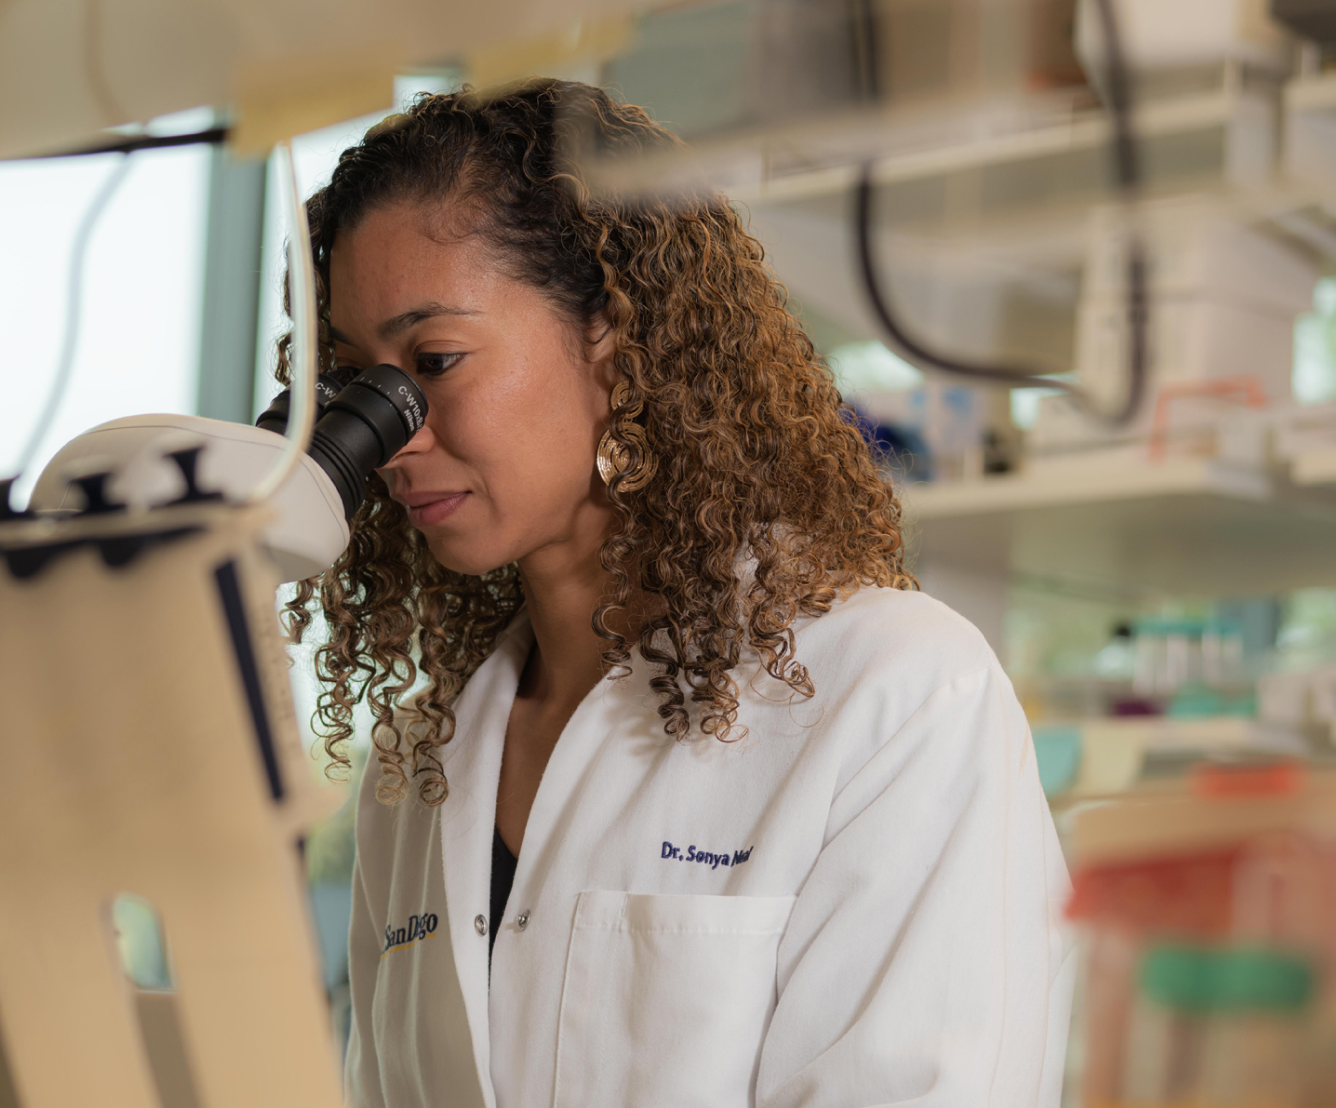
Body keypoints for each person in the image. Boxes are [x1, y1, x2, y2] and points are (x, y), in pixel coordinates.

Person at [279, 78, 1072, 1108]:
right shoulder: (418, 761)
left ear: (614, 338)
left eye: (433, 360)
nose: (392, 433)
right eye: (356, 383)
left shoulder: (895, 693)